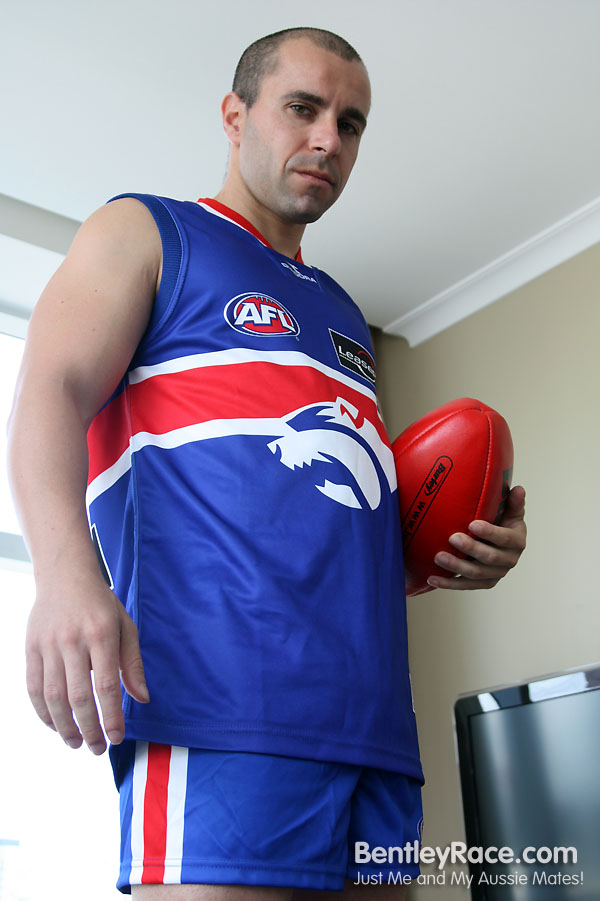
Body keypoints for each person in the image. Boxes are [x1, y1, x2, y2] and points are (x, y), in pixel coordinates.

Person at [7, 26, 526, 900]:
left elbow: (333, 518)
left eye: (350, 123)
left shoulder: (345, 315)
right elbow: (46, 393)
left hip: (376, 735)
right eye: (303, 108)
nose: (329, 138)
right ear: (235, 114)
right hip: (219, 710)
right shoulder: (148, 231)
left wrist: (458, 544)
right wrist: (63, 579)